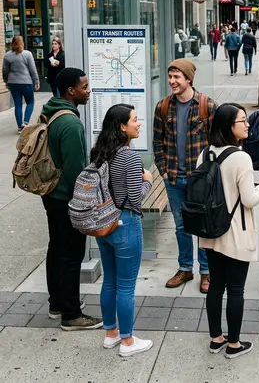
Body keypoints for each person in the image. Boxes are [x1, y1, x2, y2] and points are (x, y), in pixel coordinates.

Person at [199, 103, 259, 359]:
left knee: (216, 286)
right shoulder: (241, 157)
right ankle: (234, 344)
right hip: (236, 232)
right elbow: (248, 199)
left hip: (211, 230)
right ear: (229, 127)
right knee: (236, 289)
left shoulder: (206, 153)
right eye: (242, 121)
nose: (247, 125)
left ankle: (216, 338)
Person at [41, 68, 102, 330]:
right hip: (67, 198)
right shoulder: (71, 124)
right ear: (71, 91)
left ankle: (58, 303)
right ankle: (71, 315)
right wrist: (88, 202)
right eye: (84, 87)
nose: (88, 91)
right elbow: (78, 170)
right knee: (71, 255)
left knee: (56, 248)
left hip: (51, 194)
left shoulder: (52, 111)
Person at [91, 104, 153, 357]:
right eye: (135, 120)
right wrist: (147, 182)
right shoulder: (128, 156)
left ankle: (111, 334)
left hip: (104, 225)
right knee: (126, 286)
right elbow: (135, 199)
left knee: (110, 281)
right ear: (122, 126)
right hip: (126, 223)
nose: (139, 124)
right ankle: (128, 342)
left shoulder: (99, 151)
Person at [153, 59, 217, 294]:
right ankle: (185, 268)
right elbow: (157, 142)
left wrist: (211, 173)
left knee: (201, 226)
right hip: (174, 179)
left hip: (200, 179)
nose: (172, 81)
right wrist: (163, 169)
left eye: (177, 77)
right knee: (181, 227)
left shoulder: (206, 106)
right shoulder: (162, 107)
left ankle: (206, 271)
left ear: (188, 79)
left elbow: (217, 142)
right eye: (170, 77)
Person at [2, 35, 40, 133]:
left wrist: (6, 81)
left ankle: (19, 127)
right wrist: (36, 81)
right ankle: (25, 122)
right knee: (30, 102)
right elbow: (33, 69)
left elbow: (5, 70)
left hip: (13, 83)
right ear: (21, 43)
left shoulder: (7, 55)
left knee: (18, 104)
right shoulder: (27, 54)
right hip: (26, 82)